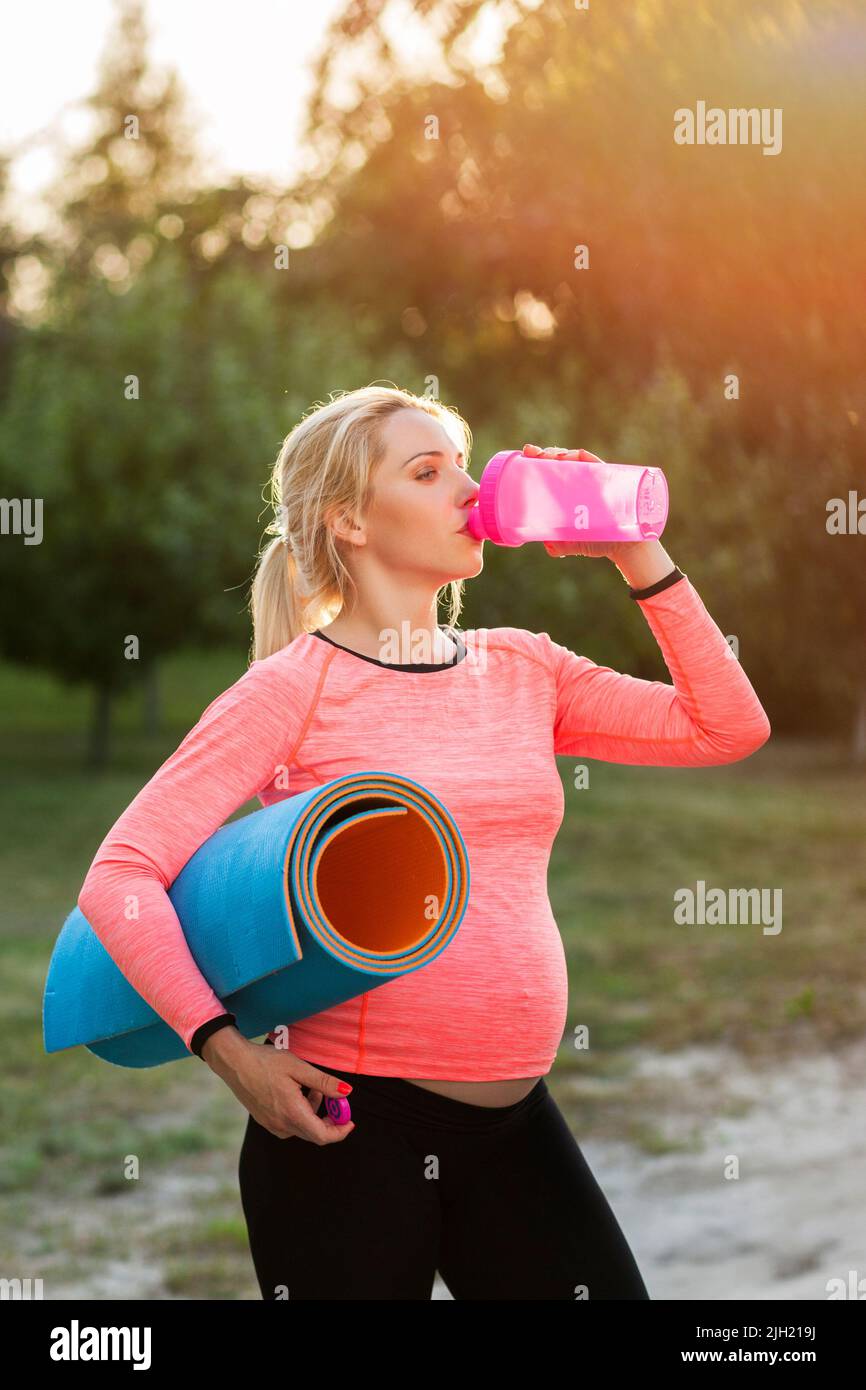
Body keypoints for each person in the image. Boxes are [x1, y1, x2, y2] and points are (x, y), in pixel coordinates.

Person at [77, 385, 771, 1300]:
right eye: (428, 471)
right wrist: (229, 1053)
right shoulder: (293, 691)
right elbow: (122, 875)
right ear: (350, 521)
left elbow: (726, 726)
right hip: (351, 1128)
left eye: (466, 466)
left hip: (516, 1122)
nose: (469, 491)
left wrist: (634, 549)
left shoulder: (524, 667)